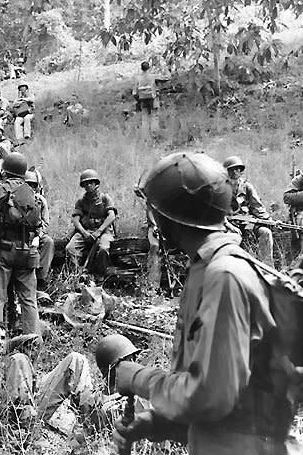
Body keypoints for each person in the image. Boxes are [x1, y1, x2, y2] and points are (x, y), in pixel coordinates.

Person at [114, 151, 301, 455]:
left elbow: (211, 396)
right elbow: (232, 400)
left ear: (168, 217)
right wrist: (157, 422)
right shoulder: (206, 268)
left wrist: (137, 378)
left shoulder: (224, 276)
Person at [0, 152, 41, 335]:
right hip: (26, 250)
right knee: (29, 300)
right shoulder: (31, 193)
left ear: (5, 170)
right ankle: (33, 341)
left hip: (3, 249)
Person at [223, 155, 274, 266]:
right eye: (232, 169)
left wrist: (270, 221)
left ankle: (267, 269)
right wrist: (230, 226)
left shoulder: (247, 187)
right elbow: (216, 213)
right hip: (227, 225)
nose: (236, 172)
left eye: (238, 169)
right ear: (227, 171)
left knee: (266, 233)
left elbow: (258, 208)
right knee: (232, 238)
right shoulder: (220, 189)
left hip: (246, 223)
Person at [65, 169, 117, 278]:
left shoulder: (105, 198)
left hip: (104, 231)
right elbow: (75, 219)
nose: (88, 185)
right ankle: (77, 274)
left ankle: (100, 275)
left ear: (96, 183)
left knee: (103, 249)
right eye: (85, 183)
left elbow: (111, 216)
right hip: (86, 231)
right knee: (70, 248)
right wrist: (84, 233)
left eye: (91, 183)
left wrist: (99, 231)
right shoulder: (81, 201)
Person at [25, 171, 54, 294]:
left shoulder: (40, 201)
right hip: (21, 234)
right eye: (28, 185)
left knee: (48, 242)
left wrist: (38, 235)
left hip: (36, 233)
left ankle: (41, 278)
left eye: (33, 185)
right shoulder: (16, 199)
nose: (30, 188)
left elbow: (45, 222)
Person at [132, 61, 158, 134]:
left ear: (141, 69)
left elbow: (134, 93)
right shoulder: (152, 77)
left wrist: (138, 100)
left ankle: (145, 134)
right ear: (149, 68)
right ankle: (154, 133)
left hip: (142, 98)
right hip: (151, 98)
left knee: (144, 117)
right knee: (154, 115)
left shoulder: (138, 78)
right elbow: (154, 89)